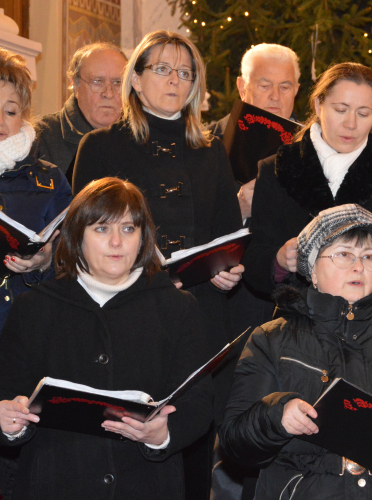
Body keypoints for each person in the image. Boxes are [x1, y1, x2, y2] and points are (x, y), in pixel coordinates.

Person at [71, 30, 243, 500]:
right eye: (163, 69)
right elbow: (79, 236)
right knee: (119, 449)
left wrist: (228, 269)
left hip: (197, 319)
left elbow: (228, 234)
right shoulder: (101, 146)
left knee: (188, 452)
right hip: (123, 318)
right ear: (137, 79)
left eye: (185, 72)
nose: (175, 80)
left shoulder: (210, 151)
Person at [220, 204, 372, 499]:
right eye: (344, 254)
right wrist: (277, 415)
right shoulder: (272, 338)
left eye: (369, 256)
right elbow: (235, 442)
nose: (358, 267)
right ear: (312, 268)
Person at [0, 177, 214, 500]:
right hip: (55, 484)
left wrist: (163, 435)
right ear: (76, 237)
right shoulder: (34, 308)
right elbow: (9, 395)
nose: (117, 242)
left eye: (129, 229)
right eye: (102, 229)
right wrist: (8, 422)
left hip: (148, 485)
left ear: (143, 238)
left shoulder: (177, 307)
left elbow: (198, 403)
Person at [243, 62, 372, 303]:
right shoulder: (277, 168)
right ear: (318, 105)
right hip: (297, 324)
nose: (351, 124)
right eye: (340, 109)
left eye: (363, 113)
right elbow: (254, 262)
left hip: (368, 327)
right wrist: (280, 261)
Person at [0, 47, 71, 500]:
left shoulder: (50, 179)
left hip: (25, 331)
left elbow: (76, 263)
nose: (0, 119)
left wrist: (45, 261)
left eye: (9, 109)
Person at [208, 43, 301, 221]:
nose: (275, 96)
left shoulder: (313, 145)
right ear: (242, 87)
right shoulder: (205, 144)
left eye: (285, 87)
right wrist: (238, 210)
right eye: (264, 86)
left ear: (296, 90)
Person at [35, 43, 128, 177]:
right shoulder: (41, 137)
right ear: (75, 85)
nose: (108, 93)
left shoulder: (139, 136)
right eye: (97, 81)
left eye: (118, 82)